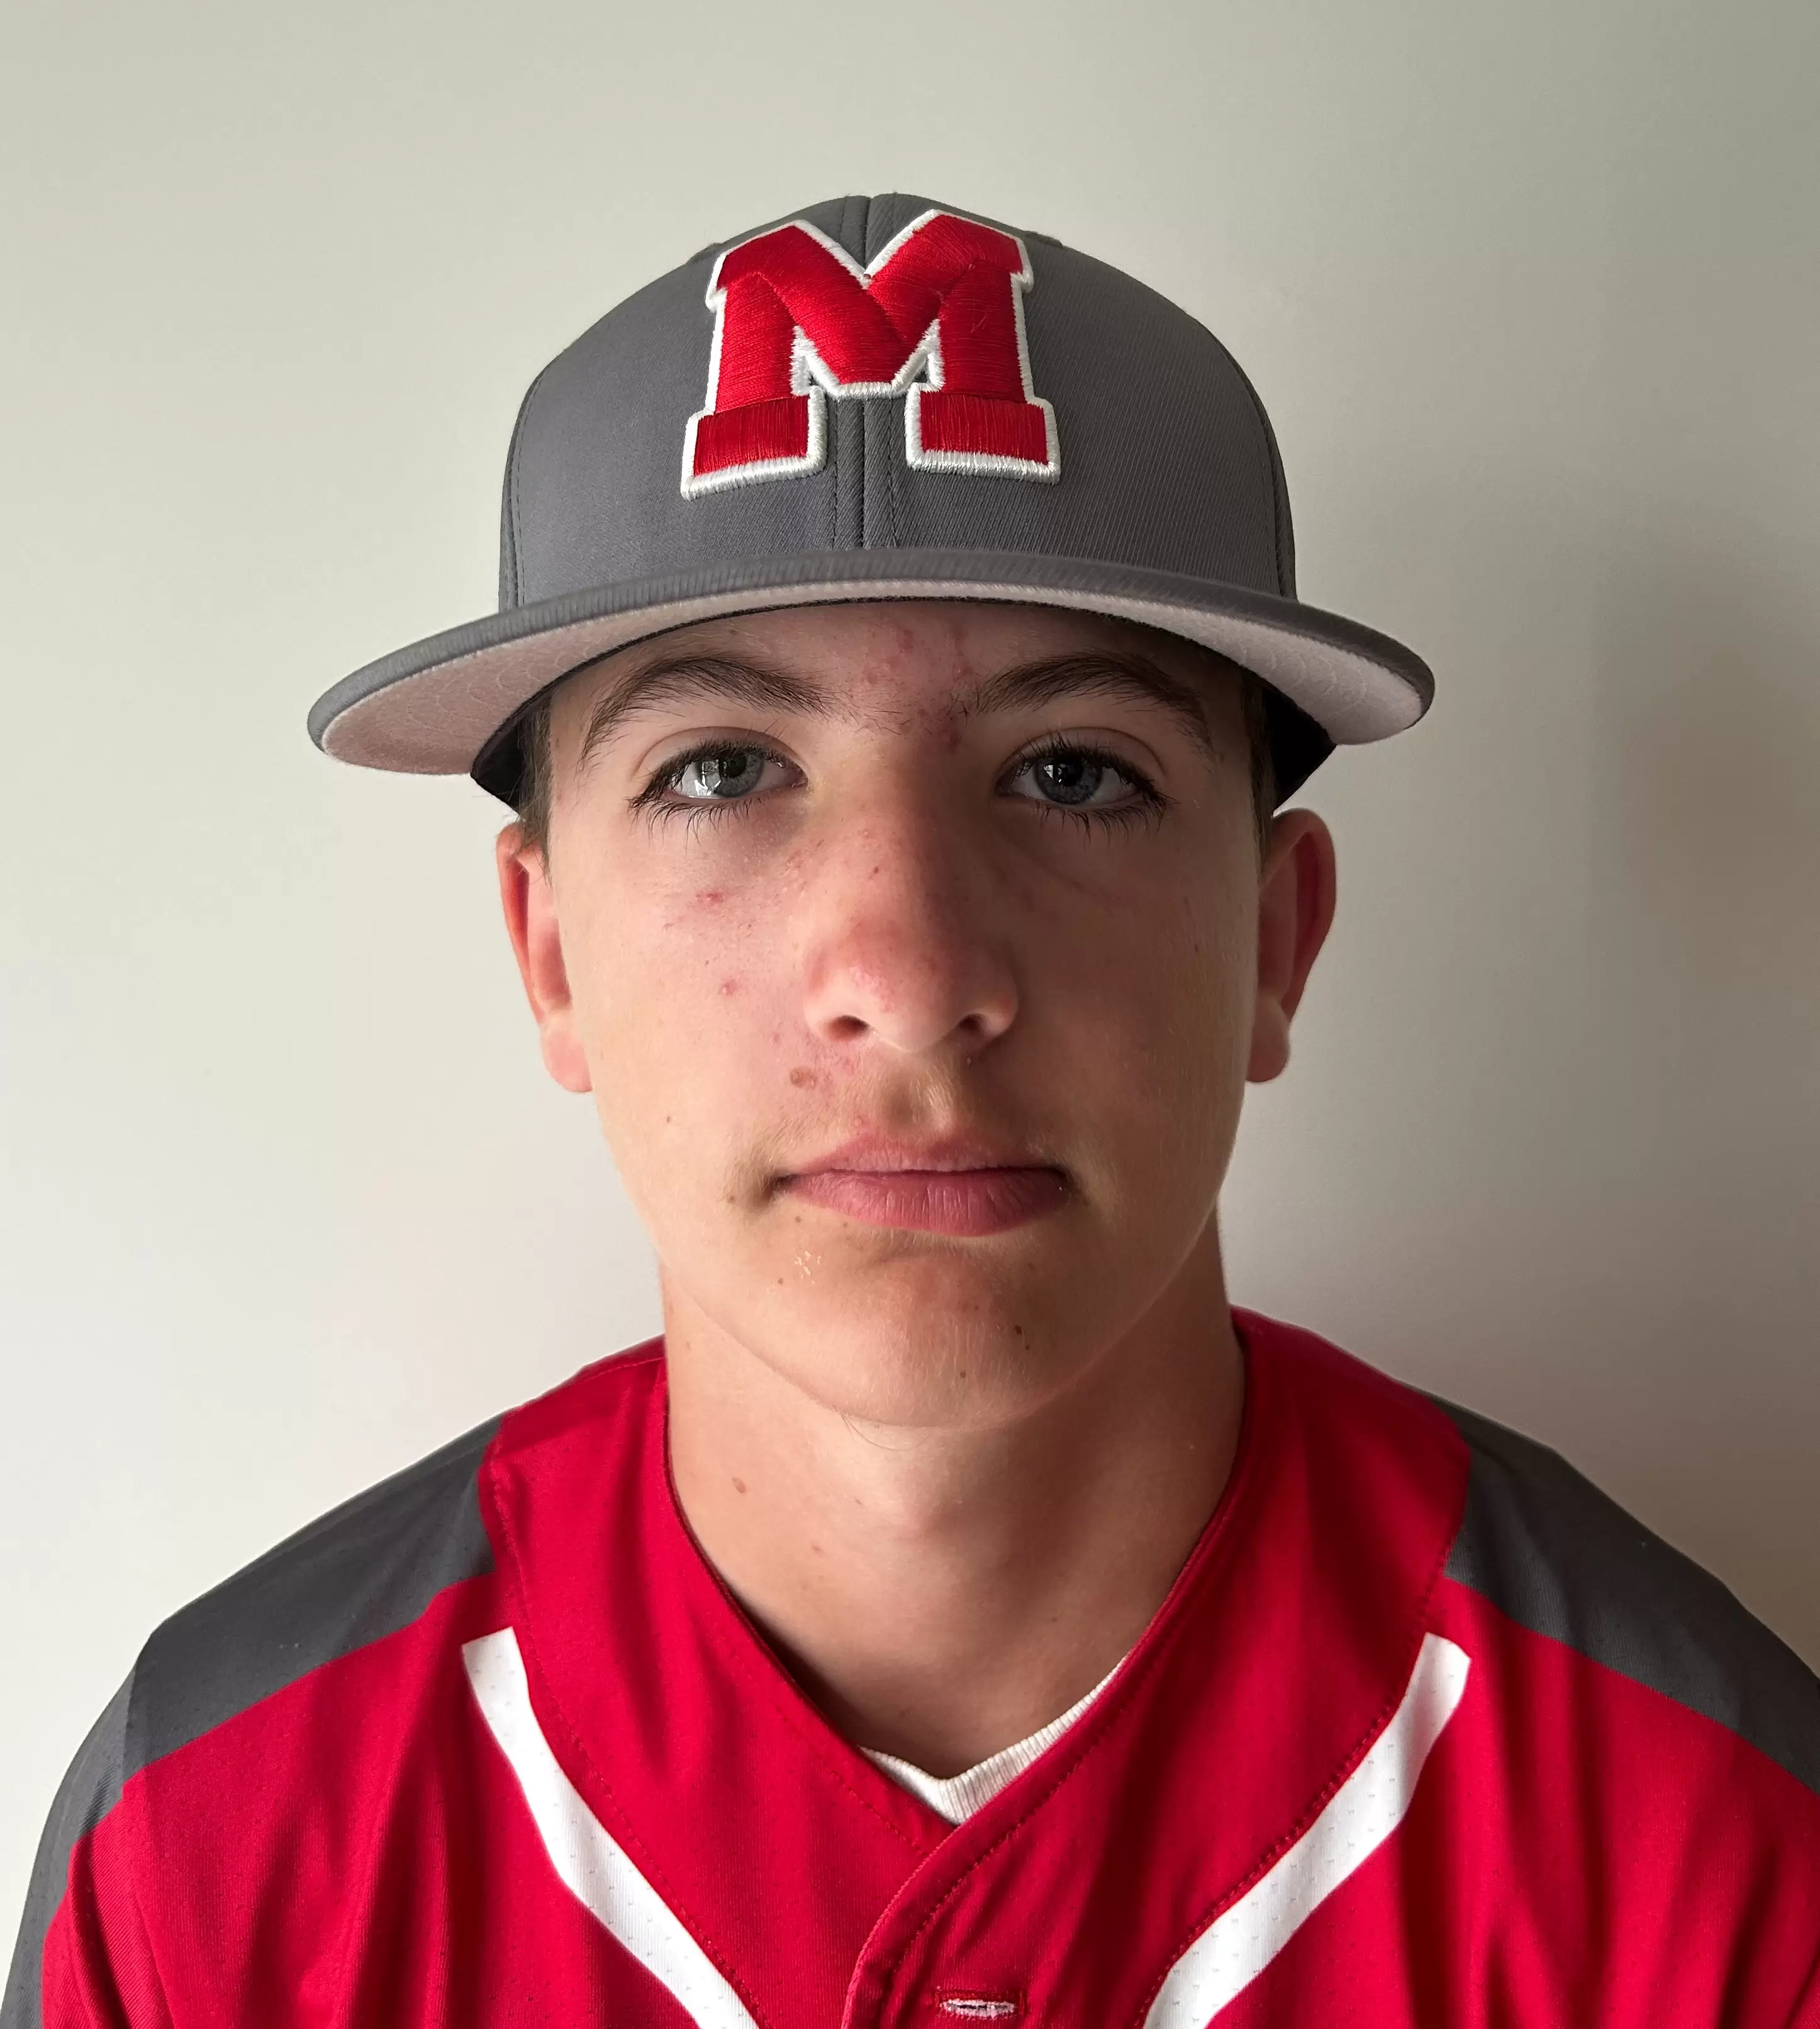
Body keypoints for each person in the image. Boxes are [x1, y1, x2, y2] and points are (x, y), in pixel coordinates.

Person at [6, 194, 1816, 2029]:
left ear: (1275, 941)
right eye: (720, 770)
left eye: (1073, 771)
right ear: (547, 951)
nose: (908, 966)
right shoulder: (214, 1841)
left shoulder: (1714, 1843)